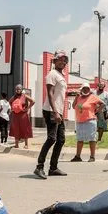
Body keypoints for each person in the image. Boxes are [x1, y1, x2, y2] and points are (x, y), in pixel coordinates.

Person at [35, 51, 68, 179]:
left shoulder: (61, 75)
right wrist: (55, 111)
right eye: (60, 60)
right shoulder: (52, 74)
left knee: (61, 139)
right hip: (51, 110)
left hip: (58, 111)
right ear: (54, 61)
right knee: (52, 138)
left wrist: (59, 112)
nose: (62, 62)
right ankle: (39, 166)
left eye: (65, 60)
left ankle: (53, 168)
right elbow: (49, 93)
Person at [70, 83, 103, 162]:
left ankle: (92, 156)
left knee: (92, 138)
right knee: (79, 139)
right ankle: (78, 156)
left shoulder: (92, 97)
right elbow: (74, 106)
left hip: (90, 120)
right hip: (79, 120)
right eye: (84, 89)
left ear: (89, 90)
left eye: (87, 88)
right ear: (81, 90)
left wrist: (96, 111)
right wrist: (76, 97)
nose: (85, 90)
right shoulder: (79, 97)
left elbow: (102, 104)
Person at [9, 84, 34, 149]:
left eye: (19, 89)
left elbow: (33, 101)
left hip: (23, 115)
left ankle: (26, 144)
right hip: (15, 115)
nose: (17, 90)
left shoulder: (25, 96)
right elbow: (10, 102)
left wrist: (27, 108)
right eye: (16, 89)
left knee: (25, 129)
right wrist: (13, 108)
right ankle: (16, 144)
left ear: (21, 89)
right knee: (16, 129)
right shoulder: (14, 97)